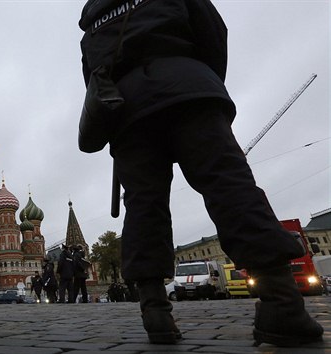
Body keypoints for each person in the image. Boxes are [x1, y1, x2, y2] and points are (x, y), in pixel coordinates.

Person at [78, 0, 323, 346]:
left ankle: (155, 314)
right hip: (189, 91)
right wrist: (198, 78)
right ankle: (281, 303)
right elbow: (213, 34)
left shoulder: (92, 18)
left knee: (143, 206)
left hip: (127, 115)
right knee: (229, 185)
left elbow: (93, 77)